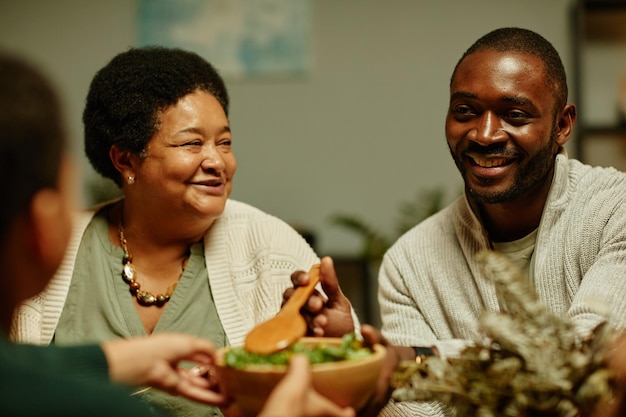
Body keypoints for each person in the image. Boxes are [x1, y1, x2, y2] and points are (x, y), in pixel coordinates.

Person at [2, 51, 358, 417]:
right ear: (125, 160)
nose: (217, 162)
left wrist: (336, 354)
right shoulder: (44, 253)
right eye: (191, 143)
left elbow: (348, 398)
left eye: (224, 142)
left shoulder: (271, 248)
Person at [292, 27, 626, 416]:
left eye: (515, 115)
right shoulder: (409, 263)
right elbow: (415, 411)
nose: (484, 134)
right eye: (465, 111)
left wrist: (415, 360)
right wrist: (352, 359)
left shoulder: (614, 210)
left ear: (562, 126)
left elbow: (586, 360)